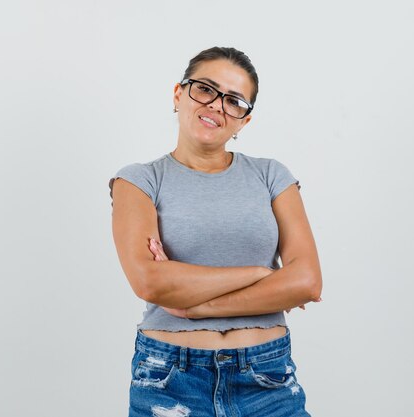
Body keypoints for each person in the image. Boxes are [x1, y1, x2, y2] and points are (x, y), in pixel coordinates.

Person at [109, 46, 322, 417]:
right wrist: (263, 275)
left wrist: (195, 307)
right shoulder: (140, 181)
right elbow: (149, 281)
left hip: (267, 377)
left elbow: (306, 281)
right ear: (178, 94)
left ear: (244, 122)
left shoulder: (271, 175)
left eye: (234, 100)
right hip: (170, 379)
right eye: (205, 89)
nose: (217, 106)